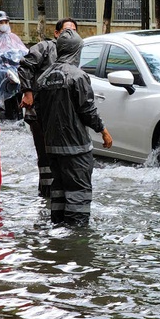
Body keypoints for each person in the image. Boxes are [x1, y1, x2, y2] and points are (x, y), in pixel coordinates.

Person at [35, 28, 112, 226]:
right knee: (79, 192)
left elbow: (40, 114)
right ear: (76, 51)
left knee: (58, 190)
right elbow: (88, 111)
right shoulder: (78, 77)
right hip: (76, 148)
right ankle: (77, 237)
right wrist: (103, 131)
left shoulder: (43, 78)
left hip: (53, 148)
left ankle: (59, 229)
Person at [18, 18, 78, 198]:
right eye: (67, 31)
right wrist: (27, 92)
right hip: (41, 110)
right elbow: (25, 66)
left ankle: (60, 193)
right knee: (45, 154)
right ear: (57, 33)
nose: (70, 35)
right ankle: (45, 193)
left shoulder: (75, 53)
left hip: (62, 114)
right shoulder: (45, 47)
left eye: (74, 31)